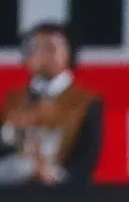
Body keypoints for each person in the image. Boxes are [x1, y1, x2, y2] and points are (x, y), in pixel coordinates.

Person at [0, 22, 103, 186]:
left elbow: (86, 158)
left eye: (50, 48)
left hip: (63, 197)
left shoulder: (86, 102)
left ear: (68, 53)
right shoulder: (13, 100)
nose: (42, 55)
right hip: (14, 194)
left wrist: (56, 177)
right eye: (35, 49)